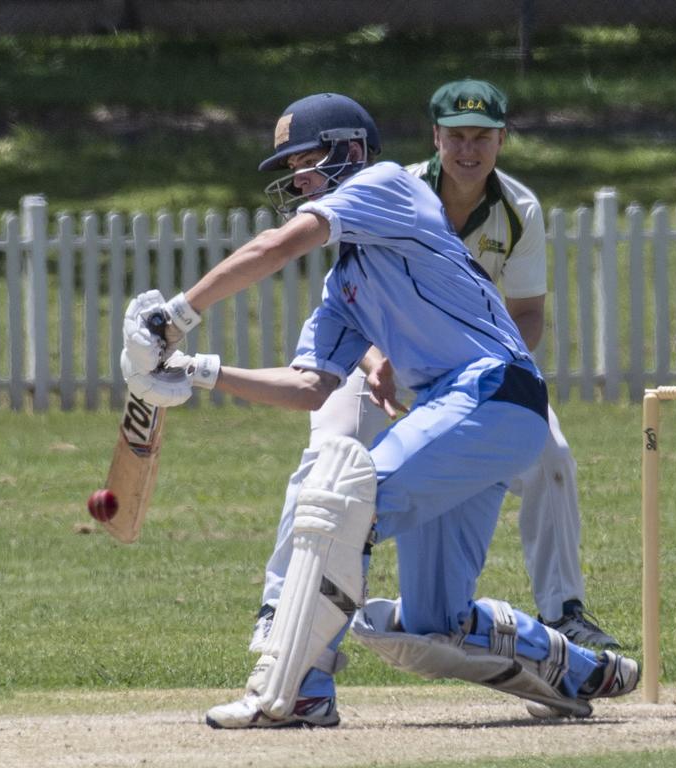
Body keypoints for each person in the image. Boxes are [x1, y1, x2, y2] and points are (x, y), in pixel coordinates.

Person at [119, 92, 639, 729]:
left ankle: (304, 689)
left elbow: (277, 247)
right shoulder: (345, 286)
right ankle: (575, 665)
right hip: (465, 419)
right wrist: (200, 372)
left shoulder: (386, 186)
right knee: (431, 624)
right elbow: (309, 386)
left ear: (352, 151)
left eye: (308, 160)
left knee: (345, 499)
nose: (299, 178)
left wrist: (173, 318)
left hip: (490, 393)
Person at [255, 79, 617, 649]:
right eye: (455, 137)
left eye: (480, 137)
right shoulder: (395, 185)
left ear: (501, 140)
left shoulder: (518, 209)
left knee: (554, 458)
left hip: (473, 374)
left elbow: (526, 316)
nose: (467, 150)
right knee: (331, 456)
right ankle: (281, 604)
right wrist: (385, 360)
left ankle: (561, 613)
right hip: (375, 357)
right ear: (436, 138)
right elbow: (352, 298)